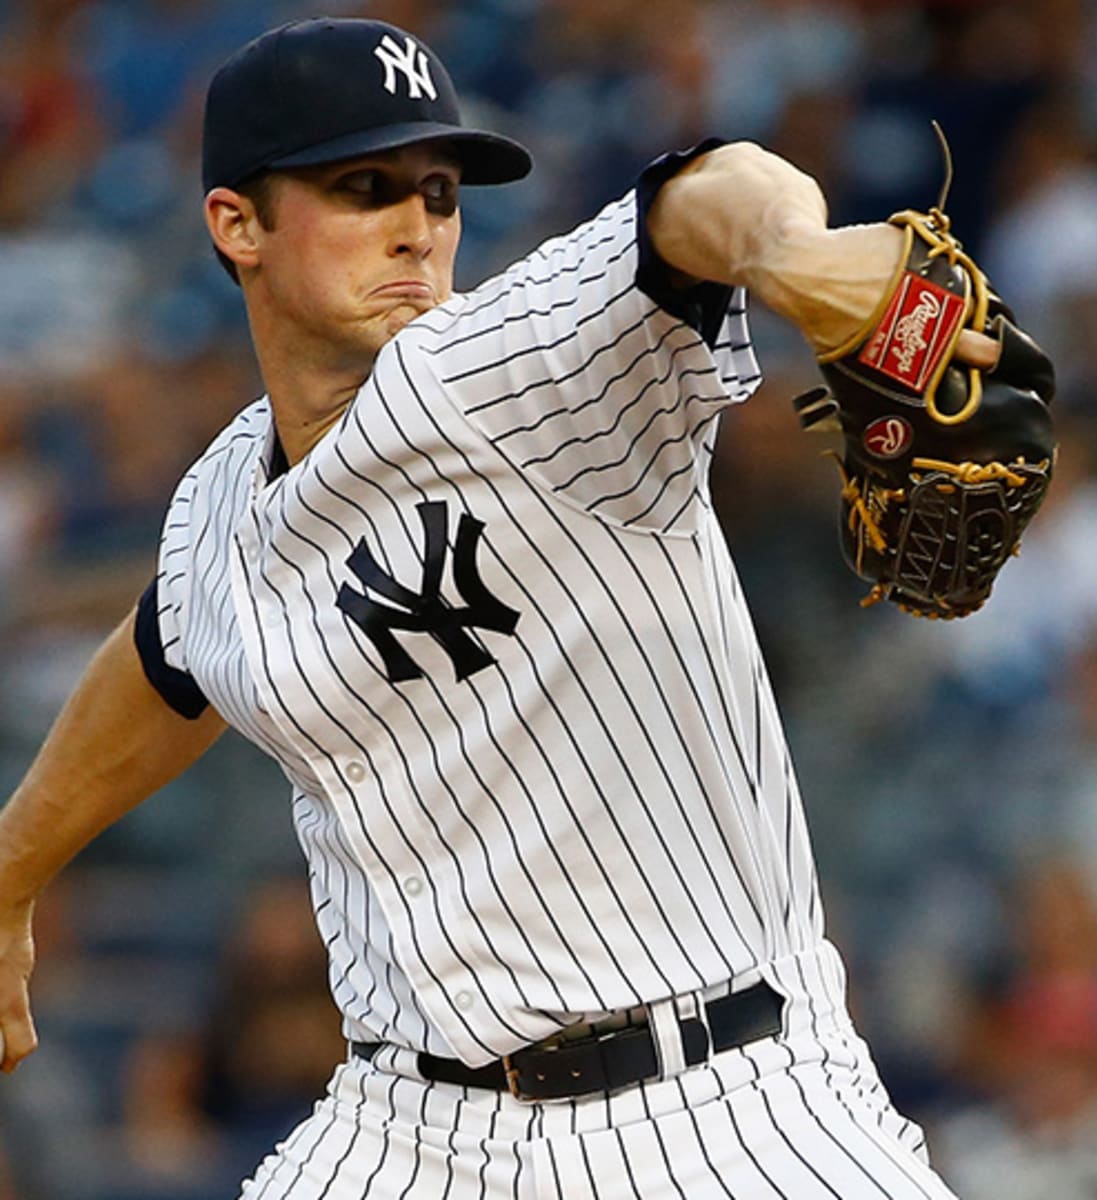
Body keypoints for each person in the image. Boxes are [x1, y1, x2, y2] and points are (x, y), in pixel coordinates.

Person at [0, 16, 1005, 1198]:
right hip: (406, 1125)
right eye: (363, 187)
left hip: (724, 1101)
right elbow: (171, 658)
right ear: (237, 224)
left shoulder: (512, 365)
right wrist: (14, 872)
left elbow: (705, 196)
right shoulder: (222, 501)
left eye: (438, 190)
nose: (419, 225)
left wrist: (801, 254)